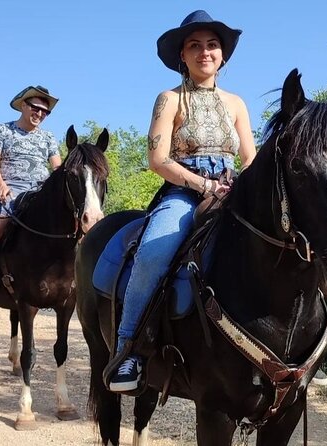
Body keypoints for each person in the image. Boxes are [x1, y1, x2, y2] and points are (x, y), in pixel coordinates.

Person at [109, 10, 257, 392]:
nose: (204, 51)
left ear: (222, 55)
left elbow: (250, 159)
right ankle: (129, 350)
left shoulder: (237, 103)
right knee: (154, 252)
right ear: (183, 56)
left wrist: (245, 189)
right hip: (183, 191)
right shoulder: (169, 99)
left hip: (232, 190)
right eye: (194, 45)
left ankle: (294, 351)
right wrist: (203, 187)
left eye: (212, 45)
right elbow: (157, 160)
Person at [0, 85, 61, 310]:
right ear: (24, 105)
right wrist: (1, 185)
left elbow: (57, 168)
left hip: (40, 192)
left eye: (45, 112)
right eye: (36, 108)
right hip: (11, 190)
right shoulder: (2, 130)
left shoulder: (48, 138)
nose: (40, 114)